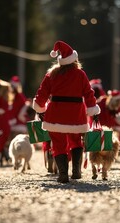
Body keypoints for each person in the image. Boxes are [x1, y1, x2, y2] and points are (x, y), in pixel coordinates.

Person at [32, 40, 100, 183]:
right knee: (76, 141)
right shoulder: (80, 74)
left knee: (57, 143)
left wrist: (39, 107)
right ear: (74, 60)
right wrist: (93, 109)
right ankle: (76, 171)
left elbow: (42, 93)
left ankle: (63, 174)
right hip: (76, 113)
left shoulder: (51, 75)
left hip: (55, 113)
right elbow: (88, 93)